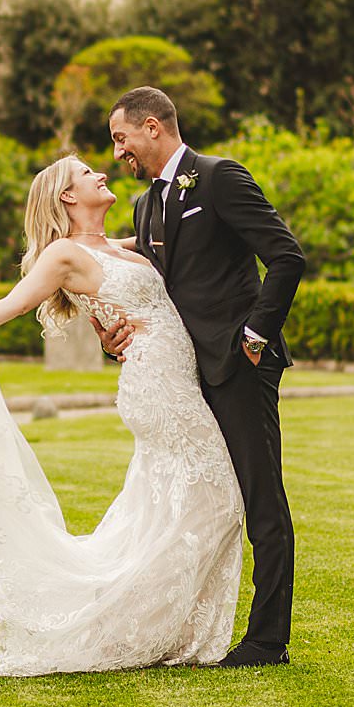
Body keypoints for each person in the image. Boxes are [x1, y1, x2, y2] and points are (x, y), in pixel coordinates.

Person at [0, 155, 245, 676]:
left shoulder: (112, 246)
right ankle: (130, 626)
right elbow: (13, 303)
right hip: (157, 389)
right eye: (86, 173)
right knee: (221, 496)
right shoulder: (62, 254)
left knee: (166, 506)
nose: (101, 173)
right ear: (67, 197)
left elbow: (184, 252)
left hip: (179, 380)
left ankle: (155, 623)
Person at [99, 85, 305, 667]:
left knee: (262, 501)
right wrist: (117, 331)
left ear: (153, 128)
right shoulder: (145, 205)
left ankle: (268, 641)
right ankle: (179, 627)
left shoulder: (218, 178)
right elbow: (157, 287)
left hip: (240, 367)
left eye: (122, 138)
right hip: (183, 377)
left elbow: (286, 256)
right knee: (199, 501)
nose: (119, 153)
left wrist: (255, 336)